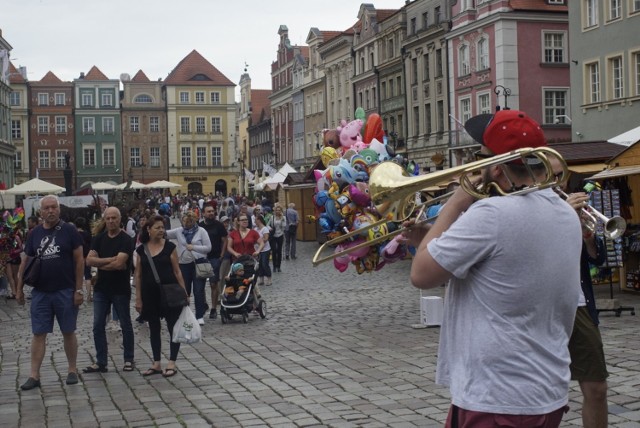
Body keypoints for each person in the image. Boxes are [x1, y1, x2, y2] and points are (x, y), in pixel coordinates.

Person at [404, 110, 582, 426]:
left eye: (480, 158)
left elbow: (421, 275)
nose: (477, 168)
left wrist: (454, 205)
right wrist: (428, 238)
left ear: (496, 167)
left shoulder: (491, 214)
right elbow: (501, 269)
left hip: (496, 396)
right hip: (546, 390)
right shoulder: (565, 214)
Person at [552, 160, 609, 428]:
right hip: (543, 306)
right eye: (549, 175)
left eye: (560, 176)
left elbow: (597, 261)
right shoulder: (524, 208)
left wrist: (587, 237)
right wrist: (561, 216)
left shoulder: (577, 211)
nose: (555, 181)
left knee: (597, 388)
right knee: (542, 392)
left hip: (579, 303)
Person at [16, 195, 85, 390]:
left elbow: (80, 260)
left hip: (65, 289)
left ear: (59, 209)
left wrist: (79, 289)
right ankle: (34, 375)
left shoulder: (69, 231)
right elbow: (26, 261)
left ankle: (72, 370)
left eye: (54, 207)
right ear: (41, 212)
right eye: (46, 208)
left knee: (68, 331)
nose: (50, 211)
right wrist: (19, 289)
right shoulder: (34, 233)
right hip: (41, 292)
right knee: (39, 333)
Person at [134, 215, 188, 378]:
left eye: (162, 228)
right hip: (149, 294)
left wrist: (184, 291)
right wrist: (138, 298)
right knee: (154, 328)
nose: (161, 230)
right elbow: (138, 275)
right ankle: (156, 362)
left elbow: (177, 271)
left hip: (169, 292)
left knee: (173, 327)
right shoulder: (141, 249)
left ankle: (172, 361)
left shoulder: (170, 247)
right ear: (148, 230)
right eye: (157, 227)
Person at [84, 207, 135, 373]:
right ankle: (101, 361)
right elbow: (89, 261)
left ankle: (128, 359)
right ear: (104, 220)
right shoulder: (98, 239)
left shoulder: (126, 240)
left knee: (126, 324)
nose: (111, 221)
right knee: (97, 325)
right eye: (108, 218)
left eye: (114, 218)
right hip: (101, 289)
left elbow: (120, 264)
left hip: (120, 288)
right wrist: (110, 260)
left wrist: (101, 262)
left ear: (120, 219)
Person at [166, 211, 211, 325]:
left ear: (194, 221)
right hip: (184, 264)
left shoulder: (201, 231)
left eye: (189, 221)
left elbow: (208, 247)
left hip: (198, 263)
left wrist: (194, 247)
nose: (186, 224)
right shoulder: (179, 231)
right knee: (184, 290)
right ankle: (184, 314)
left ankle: (199, 315)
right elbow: (165, 234)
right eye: (184, 221)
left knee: (198, 290)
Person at [199, 205, 228, 320]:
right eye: (208, 211)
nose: (211, 213)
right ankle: (204, 304)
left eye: (212, 211)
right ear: (203, 213)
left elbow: (225, 240)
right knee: (200, 284)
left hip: (215, 257)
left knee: (213, 283)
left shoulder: (219, 225)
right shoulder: (200, 226)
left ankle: (213, 309)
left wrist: (221, 255)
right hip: (203, 258)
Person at [74, 217, 93, 301]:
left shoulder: (73, 234)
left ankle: (75, 292)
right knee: (88, 277)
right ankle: (89, 296)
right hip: (86, 257)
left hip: (75, 259)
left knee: (75, 276)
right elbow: (91, 246)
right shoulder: (87, 234)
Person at [254, 215, 272, 286]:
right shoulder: (255, 229)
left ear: (259, 220)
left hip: (265, 249)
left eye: (256, 220)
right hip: (257, 250)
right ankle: (261, 279)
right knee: (259, 265)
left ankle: (269, 278)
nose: (255, 221)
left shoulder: (265, 229)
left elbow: (266, 238)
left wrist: (258, 241)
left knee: (265, 264)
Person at [269, 204, 287, 273]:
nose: (278, 211)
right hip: (273, 235)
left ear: (281, 211)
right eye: (277, 210)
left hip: (280, 235)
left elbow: (284, 226)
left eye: (279, 210)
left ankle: (278, 266)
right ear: (275, 211)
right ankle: (274, 266)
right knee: (274, 250)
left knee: (279, 251)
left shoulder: (283, 218)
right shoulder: (272, 217)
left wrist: (282, 219)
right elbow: (268, 225)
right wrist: (270, 228)